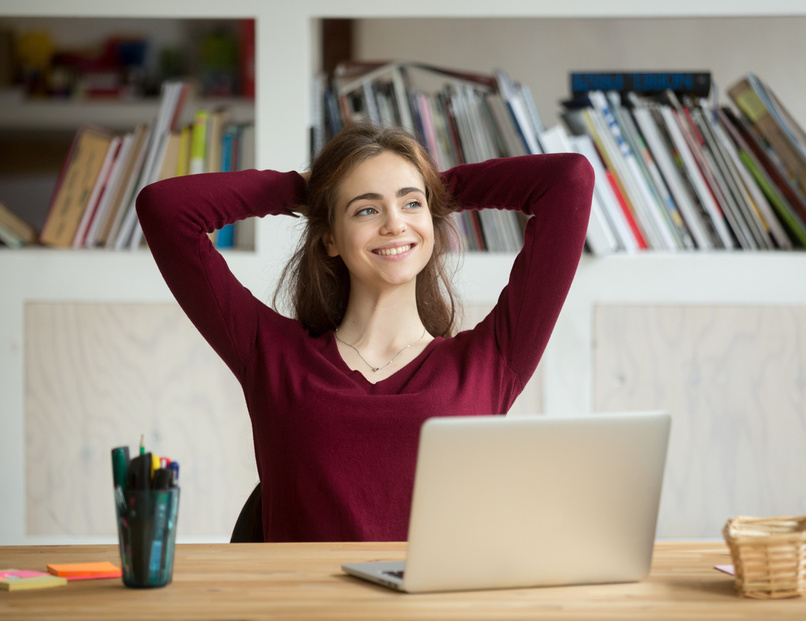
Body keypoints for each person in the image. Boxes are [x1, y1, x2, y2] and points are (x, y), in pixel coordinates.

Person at [136, 121, 594, 543]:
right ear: (330, 238)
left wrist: (432, 186)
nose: (395, 223)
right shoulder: (269, 352)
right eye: (366, 209)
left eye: (411, 204)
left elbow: (569, 181)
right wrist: (311, 191)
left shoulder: (490, 360)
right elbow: (166, 209)